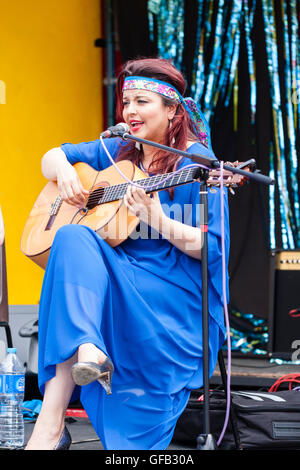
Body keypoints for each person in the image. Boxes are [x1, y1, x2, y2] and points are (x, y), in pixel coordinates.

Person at [25, 57, 229, 450]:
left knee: (74, 262)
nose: (130, 111)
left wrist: (160, 220)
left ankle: (53, 426)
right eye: (126, 101)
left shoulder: (198, 161)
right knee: (70, 237)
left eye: (142, 102)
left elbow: (211, 247)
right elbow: (51, 155)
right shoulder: (117, 148)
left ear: (172, 111)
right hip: (123, 276)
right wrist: (65, 171)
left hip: (173, 291)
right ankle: (59, 408)